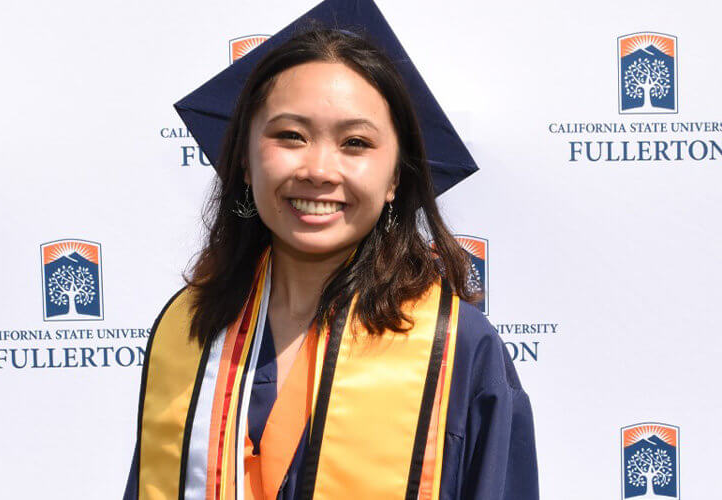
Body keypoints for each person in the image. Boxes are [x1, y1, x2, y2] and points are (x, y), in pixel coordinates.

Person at [124, 10, 538, 500]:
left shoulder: (457, 348)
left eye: (355, 143)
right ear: (245, 161)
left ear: (395, 178)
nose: (319, 169)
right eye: (290, 136)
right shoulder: (190, 330)